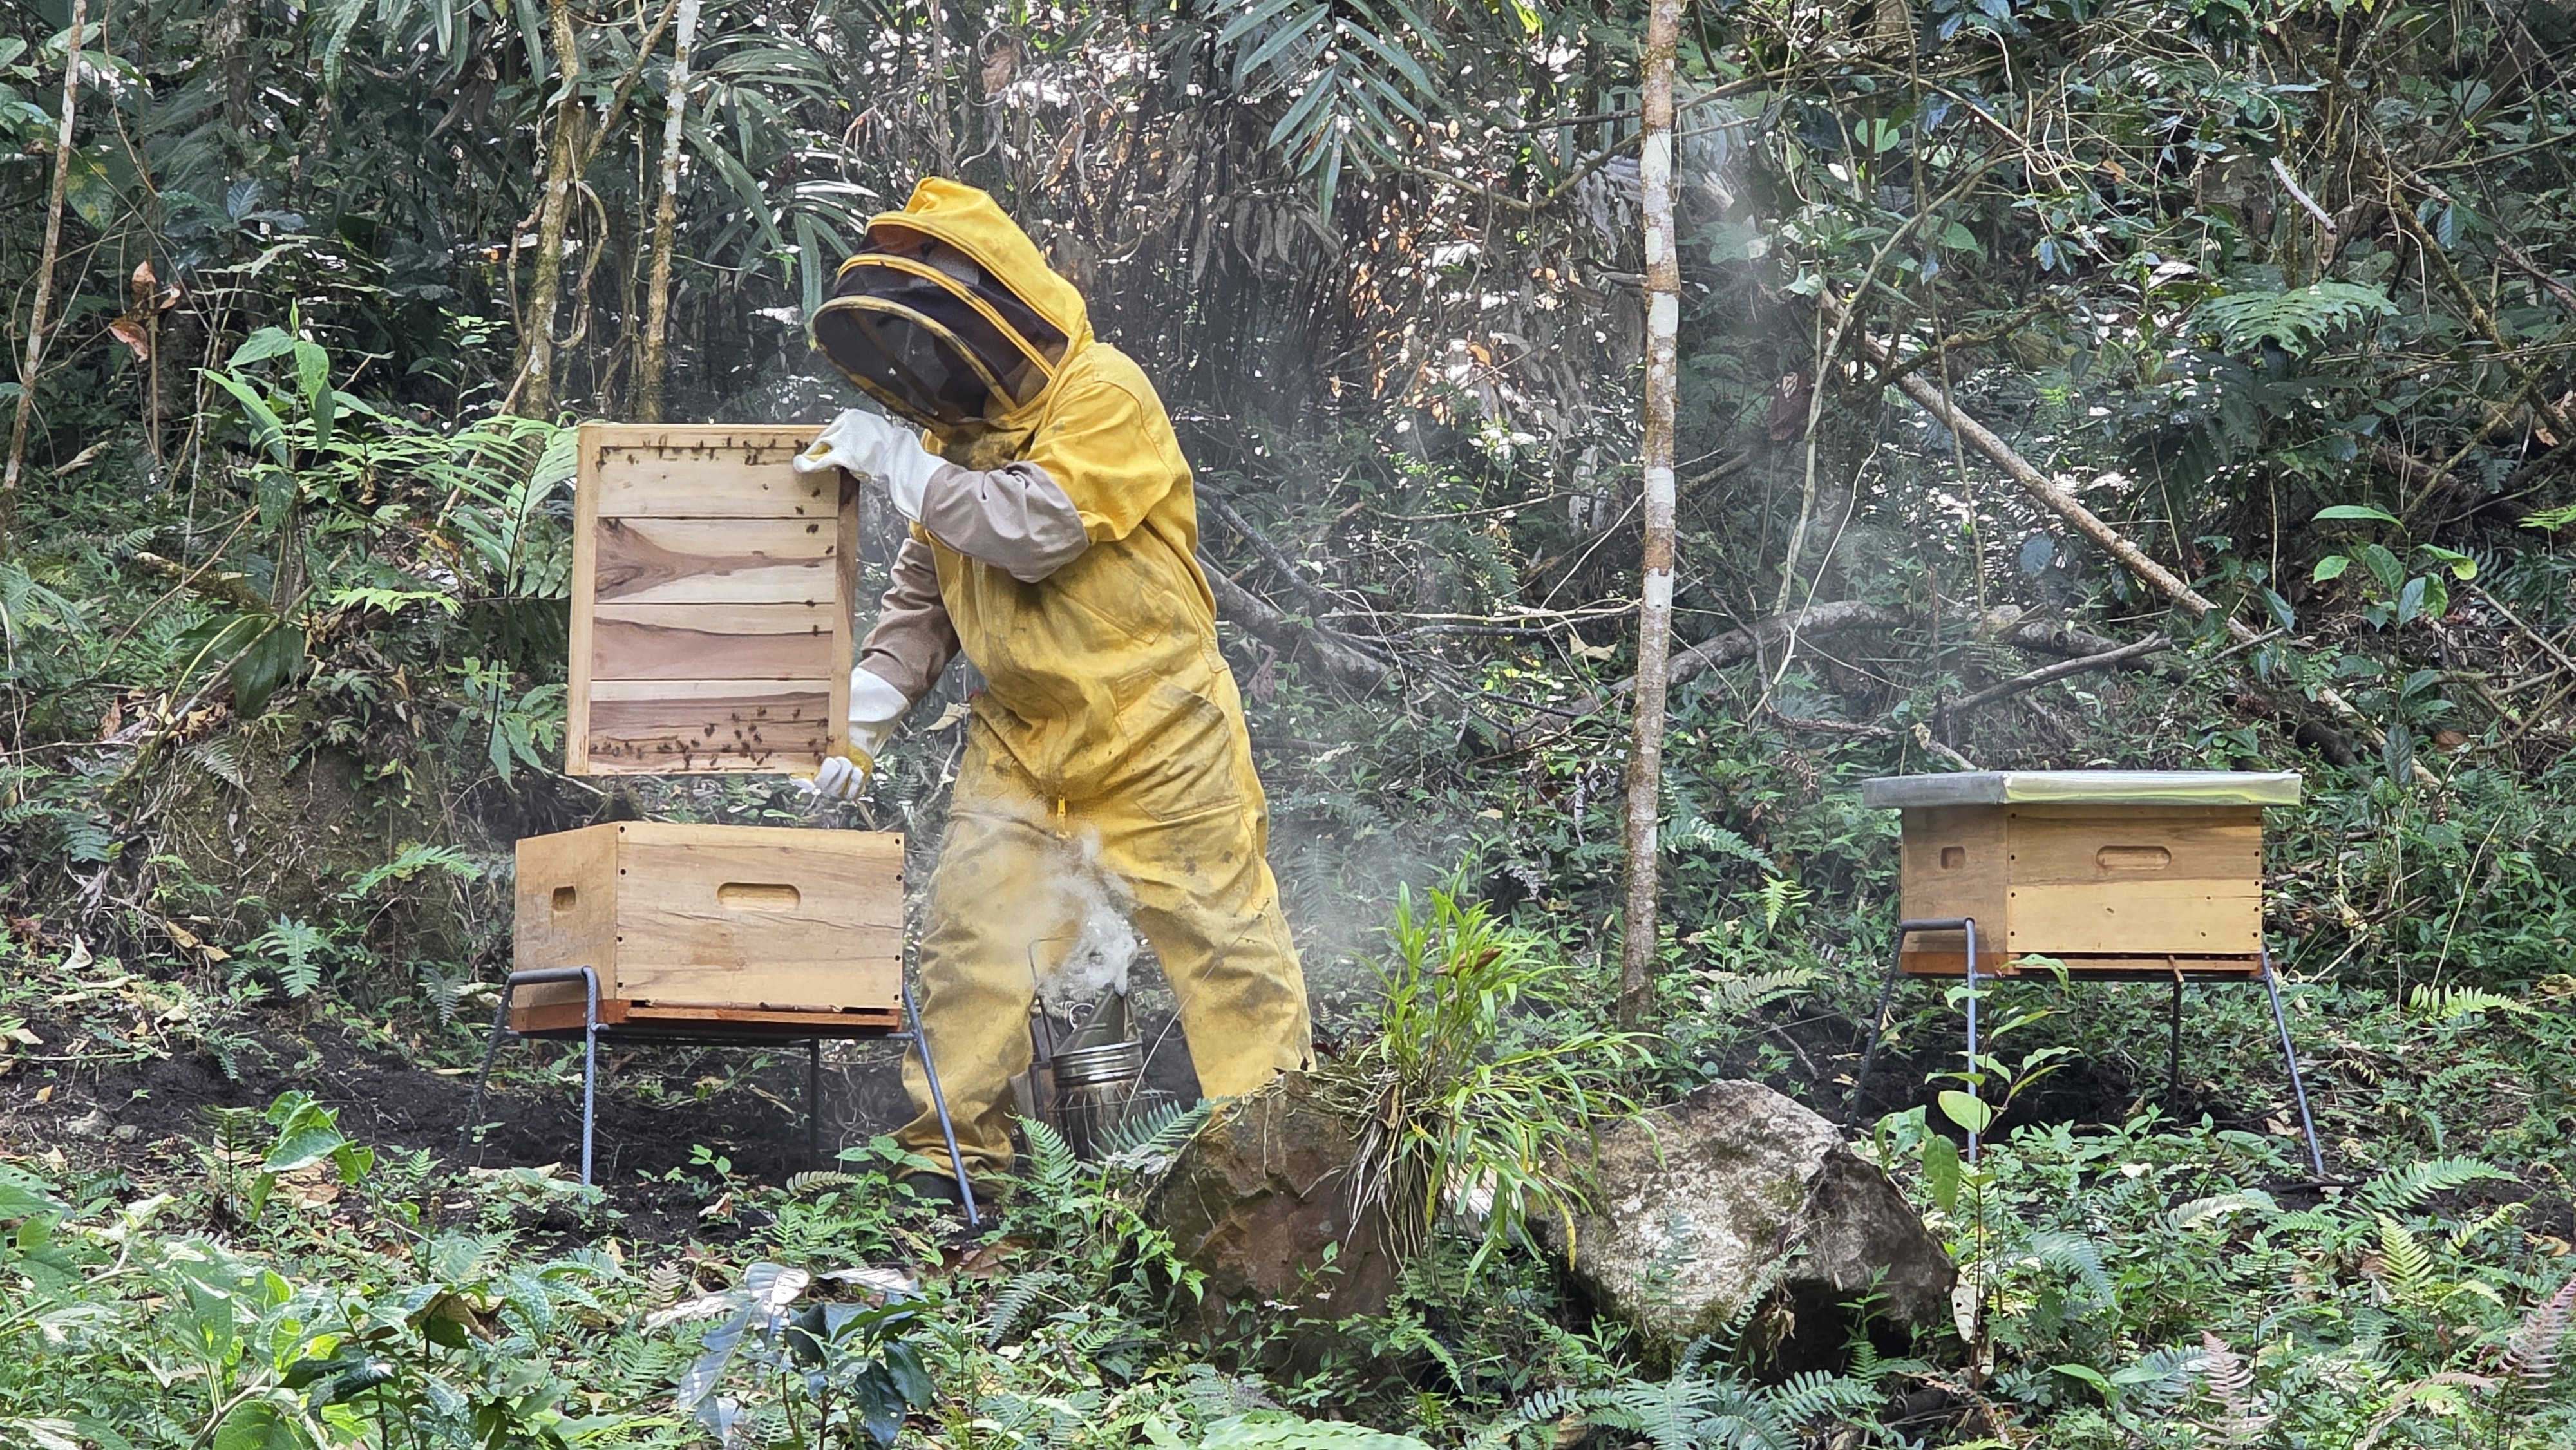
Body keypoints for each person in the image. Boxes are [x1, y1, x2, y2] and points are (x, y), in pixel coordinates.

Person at [793, 177, 1313, 1203]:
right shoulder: (950, 449)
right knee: (972, 954)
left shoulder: (1103, 394)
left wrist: (900, 464)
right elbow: (922, 600)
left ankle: (1288, 1181)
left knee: (1228, 957)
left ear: (1003, 314)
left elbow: (1031, 531)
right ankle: (951, 1176)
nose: (940, 368)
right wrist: (859, 725)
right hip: (1023, 746)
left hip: (1162, 734)